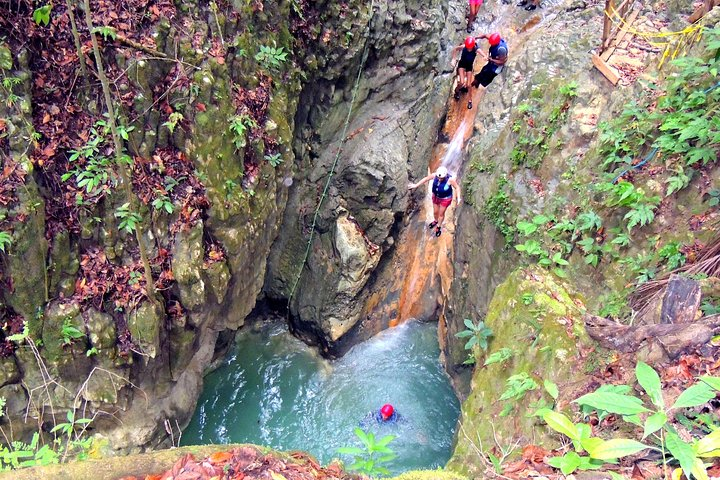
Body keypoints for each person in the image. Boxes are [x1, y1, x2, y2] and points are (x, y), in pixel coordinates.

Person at [408, 166, 462, 237]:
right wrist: (415, 185)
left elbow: (457, 187)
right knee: (435, 212)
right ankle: (436, 221)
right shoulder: (434, 175)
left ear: (445, 176)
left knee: (441, 214)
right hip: (436, 197)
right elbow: (426, 179)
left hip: (445, 199)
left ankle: (438, 227)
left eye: (441, 178)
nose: (439, 179)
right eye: (438, 177)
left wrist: (458, 198)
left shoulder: (450, 180)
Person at [450, 36, 480, 110]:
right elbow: (455, 49)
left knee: (469, 85)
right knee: (462, 82)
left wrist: (486, 57)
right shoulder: (464, 47)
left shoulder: (476, 49)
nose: (469, 49)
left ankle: (470, 100)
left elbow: (482, 53)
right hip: (462, 65)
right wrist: (453, 59)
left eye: (470, 48)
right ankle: (456, 91)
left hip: (469, 66)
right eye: (468, 48)